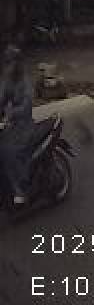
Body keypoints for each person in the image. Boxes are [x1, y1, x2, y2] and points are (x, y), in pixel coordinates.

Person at [0, 44, 34, 207]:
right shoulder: (8, 81)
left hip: (24, 126)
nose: (8, 65)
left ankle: (20, 189)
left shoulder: (25, 81)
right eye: (6, 62)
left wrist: (11, 114)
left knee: (7, 150)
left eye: (11, 62)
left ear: (18, 63)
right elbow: (1, 99)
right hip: (11, 125)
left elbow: (27, 106)